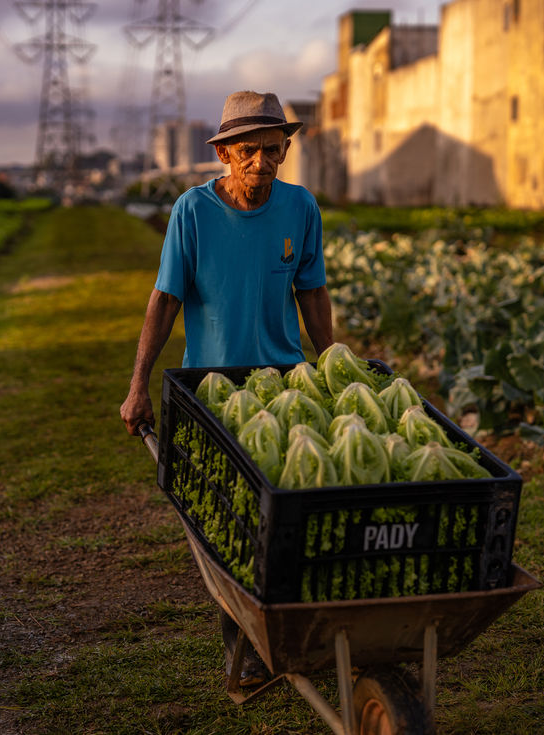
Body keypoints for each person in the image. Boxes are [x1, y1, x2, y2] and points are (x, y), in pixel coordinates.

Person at [120, 90, 334, 687]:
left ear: (286, 149)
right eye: (247, 151)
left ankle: (290, 636)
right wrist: (139, 387)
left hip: (285, 386)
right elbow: (164, 300)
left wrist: (334, 367)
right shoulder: (192, 211)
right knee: (228, 526)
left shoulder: (300, 208)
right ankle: (243, 650)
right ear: (223, 154)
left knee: (291, 516)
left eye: (272, 150)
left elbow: (312, 292)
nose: (261, 164)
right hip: (213, 392)